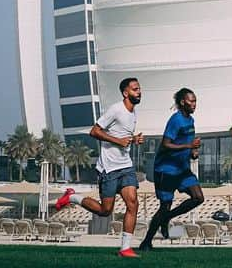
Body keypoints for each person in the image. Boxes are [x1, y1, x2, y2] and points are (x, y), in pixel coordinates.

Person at [54, 76, 145, 258]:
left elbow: (122, 135)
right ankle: (72, 197)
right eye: (135, 89)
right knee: (105, 211)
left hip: (125, 166)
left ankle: (125, 248)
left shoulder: (133, 112)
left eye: (139, 88)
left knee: (132, 203)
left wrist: (133, 139)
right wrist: (118, 141)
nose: (139, 91)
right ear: (126, 93)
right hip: (108, 168)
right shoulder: (116, 110)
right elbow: (94, 131)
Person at [138, 87, 203, 251]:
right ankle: (146, 241)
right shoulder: (176, 120)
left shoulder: (190, 120)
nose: (194, 104)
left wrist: (193, 152)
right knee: (164, 206)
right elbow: (166, 144)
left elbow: (187, 145)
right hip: (165, 170)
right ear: (183, 102)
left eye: (195, 101)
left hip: (182, 169)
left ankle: (167, 217)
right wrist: (189, 145)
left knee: (198, 197)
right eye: (191, 101)